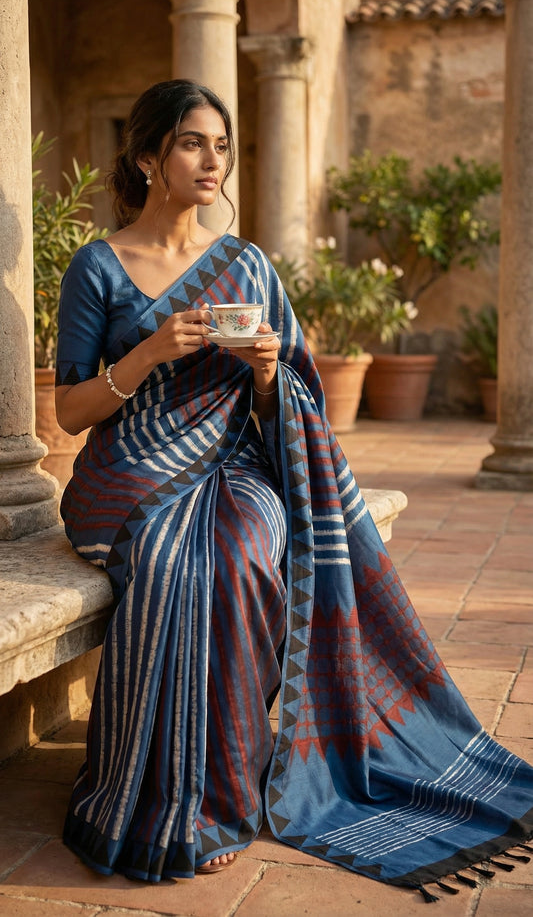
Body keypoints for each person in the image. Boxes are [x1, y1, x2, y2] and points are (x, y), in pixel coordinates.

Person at [57, 80, 533, 894]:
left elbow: (296, 399)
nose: (211, 160)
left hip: (235, 464)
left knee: (242, 552)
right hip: (128, 470)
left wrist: (269, 371)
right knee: (172, 561)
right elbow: (70, 410)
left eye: (219, 144)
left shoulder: (246, 265)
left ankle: (224, 790)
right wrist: (148, 353)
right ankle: (158, 791)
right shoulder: (97, 266)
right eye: (191, 142)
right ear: (146, 158)